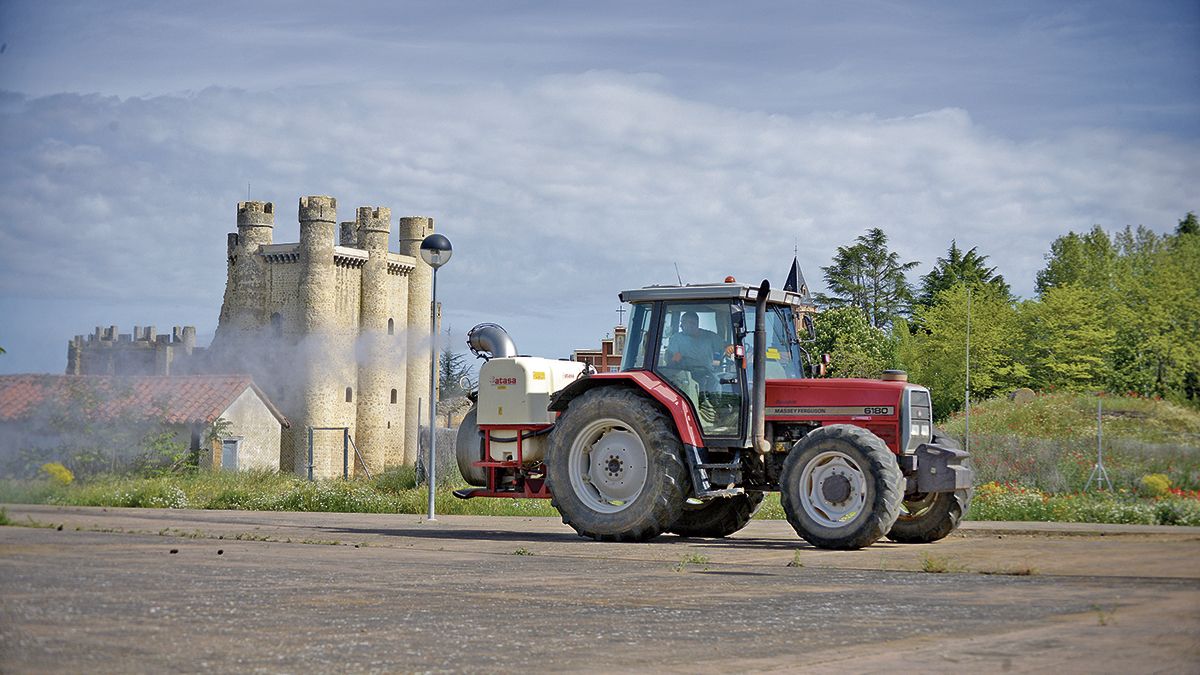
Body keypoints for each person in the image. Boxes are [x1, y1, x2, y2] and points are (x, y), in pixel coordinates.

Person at [666, 312, 726, 386]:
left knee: (716, 385)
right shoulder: (677, 338)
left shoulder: (710, 337)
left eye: (684, 322)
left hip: (707, 374)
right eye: (682, 322)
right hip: (686, 376)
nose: (681, 325)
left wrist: (727, 350)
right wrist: (675, 361)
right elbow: (675, 357)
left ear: (694, 324)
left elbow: (723, 348)